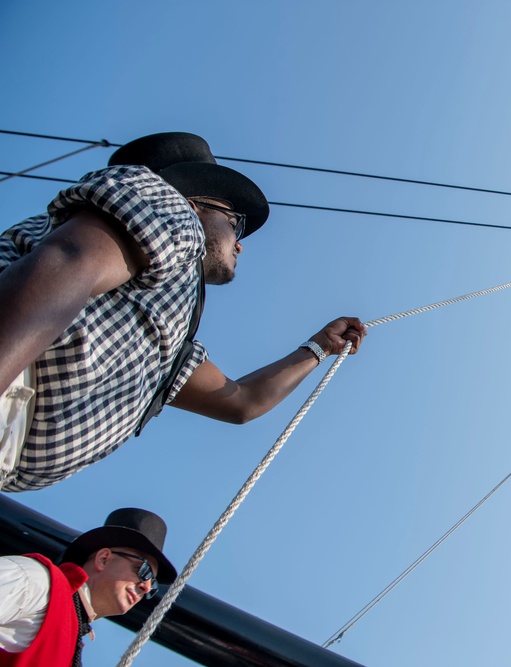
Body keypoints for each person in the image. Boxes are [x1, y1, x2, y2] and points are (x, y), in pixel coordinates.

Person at [0, 133, 366, 491]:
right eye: (235, 221)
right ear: (195, 205)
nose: (239, 243)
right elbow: (70, 260)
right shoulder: (168, 207)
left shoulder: (160, 329)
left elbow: (240, 400)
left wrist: (319, 347)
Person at [0, 507, 177, 666]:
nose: (146, 587)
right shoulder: (37, 580)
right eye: (144, 571)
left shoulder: (73, 639)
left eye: (152, 584)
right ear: (103, 559)